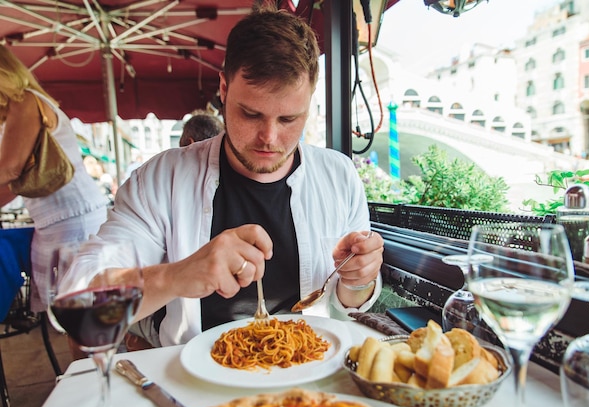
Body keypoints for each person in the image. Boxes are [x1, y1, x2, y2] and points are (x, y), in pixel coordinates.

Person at [69, 5, 384, 348]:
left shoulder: (338, 176)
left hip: (309, 372)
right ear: (223, 88)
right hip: (191, 383)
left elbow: (348, 304)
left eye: (289, 120)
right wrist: (177, 276)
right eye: (250, 114)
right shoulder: (160, 180)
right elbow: (78, 309)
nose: (269, 137)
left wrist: (359, 280)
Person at [0, 44, 109, 313]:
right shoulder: (19, 107)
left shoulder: (25, 100)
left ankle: (95, 356)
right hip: (60, 222)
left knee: (82, 316)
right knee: (77, 316)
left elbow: (10, 169)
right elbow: (19, 180)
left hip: (73, 221)